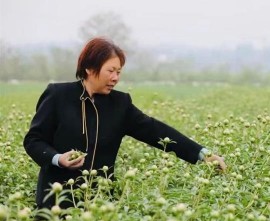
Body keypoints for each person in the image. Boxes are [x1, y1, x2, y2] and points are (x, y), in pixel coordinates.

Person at [24, 37, 226, 210]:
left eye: (119, 72)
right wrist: (58, 158)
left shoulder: (120, 104)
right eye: (110, 71)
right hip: (56, 201)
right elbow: (34, 140)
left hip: (100, 202)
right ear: (89, 68)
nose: (115, 78)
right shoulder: (58, 95)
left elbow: (157, 131)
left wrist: (203, 155)